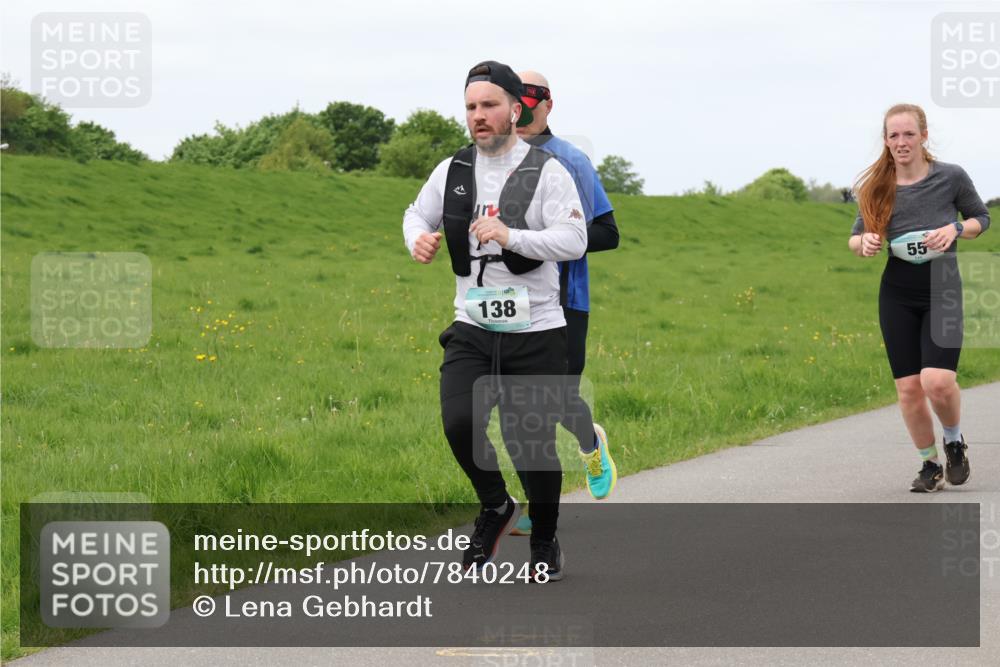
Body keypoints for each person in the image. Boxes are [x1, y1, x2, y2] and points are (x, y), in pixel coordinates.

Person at [403, 61, 587, 580]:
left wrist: (512, 238)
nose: (478, 116)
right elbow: (416, 213)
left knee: (530, 446)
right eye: (471, 107)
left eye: (489, 105)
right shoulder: (453, 170)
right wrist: (416, 237)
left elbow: (574, 240)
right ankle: (495, 505)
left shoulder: (548, 171)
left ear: (515, 109)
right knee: (459, 423)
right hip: (473, 327)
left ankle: (545, 539)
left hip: (537, 330)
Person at [849, 103, 990, 492]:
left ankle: (954, 440)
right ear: (885, 140)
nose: (901, 142)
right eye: (893, 135)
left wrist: (956, 229)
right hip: (897, 290)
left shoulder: (950, 177)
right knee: (909, 387)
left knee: (938, 381)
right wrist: (866, 242)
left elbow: (982, 218)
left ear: (923, 136)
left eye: (908, 134)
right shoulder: (877, 186)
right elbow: (855, 238)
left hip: (942, 284)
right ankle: (930, 465)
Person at [506, 70, 620, 537]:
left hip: (563, 301)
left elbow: (608, 233)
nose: (523, 108)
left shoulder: (571, 160)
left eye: (532, 98)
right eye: (516, 98)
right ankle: (537, 503)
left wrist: (538, 240)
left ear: (548, 105)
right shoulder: (490, 162)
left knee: (552, 399)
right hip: (505, 301)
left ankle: (590, 442)